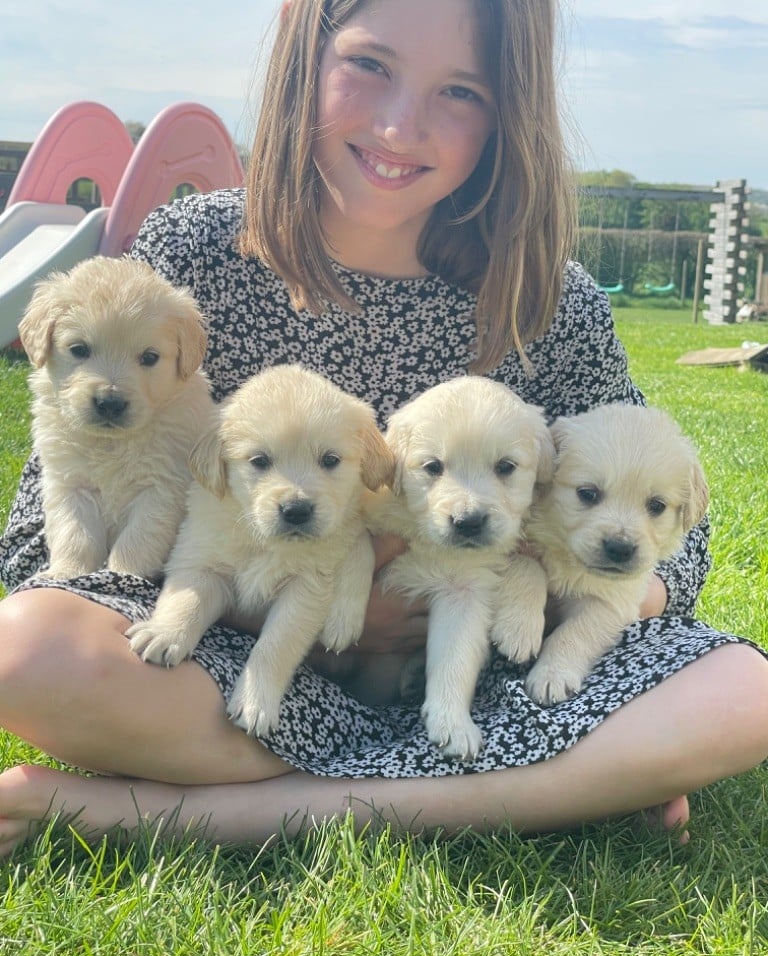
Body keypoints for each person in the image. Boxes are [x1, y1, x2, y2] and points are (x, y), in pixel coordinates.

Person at [0, 0, 766, 859]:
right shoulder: (202, 251)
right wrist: (288, 604)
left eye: (462, 92)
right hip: (243, 657)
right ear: (305, 60)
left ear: (511, 112)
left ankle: (165, 811)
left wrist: (535, 597)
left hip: (483, 671)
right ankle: (541, 787)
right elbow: (47, 530)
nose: (402, 127)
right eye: (370, 66)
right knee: (24, 651)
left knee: (745, 696)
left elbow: (674, 541)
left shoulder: (546, 295)